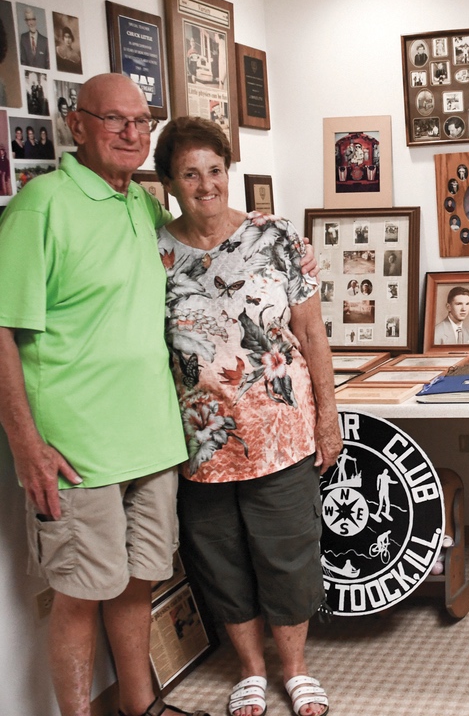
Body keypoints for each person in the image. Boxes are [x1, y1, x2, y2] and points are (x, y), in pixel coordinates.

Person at [0, 74, 207, 716]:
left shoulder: (140, 204)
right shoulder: (41, 206)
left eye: (141, 122)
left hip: (150, 437)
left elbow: (200, 241)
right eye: (113, 120)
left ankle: (141, 707)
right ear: (76, 124)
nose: (130, 133)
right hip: (75, 448)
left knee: (138, 579)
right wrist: (26, 443)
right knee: (81, 592)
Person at [155, 116, 337, 716]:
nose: (206, 184)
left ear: (227, 171)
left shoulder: (277, 237)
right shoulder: (154, 251)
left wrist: (328, 414)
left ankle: (295, 670)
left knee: (288, 553)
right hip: (199, 440)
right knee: (221, 559)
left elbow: (311, 333)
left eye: (214, 170)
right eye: (190, 174)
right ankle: (251, 671)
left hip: (281, 430)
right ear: (170, 183)